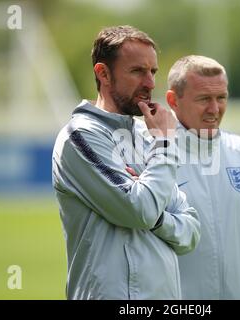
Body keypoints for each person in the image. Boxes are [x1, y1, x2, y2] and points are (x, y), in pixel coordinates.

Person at [52, 26, 200, 300]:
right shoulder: (80, 136)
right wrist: (166, 144)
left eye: (153, 72)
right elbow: (140, 209)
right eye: (137, 71)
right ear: (103, 73)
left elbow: (190, 231)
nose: (150, 83)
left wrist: (156, 218)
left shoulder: (148, 137)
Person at [165, 55, 240, 299]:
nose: (214, 109)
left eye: (221, 98)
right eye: (204, 99)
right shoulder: (153, 157)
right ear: (173, 100)